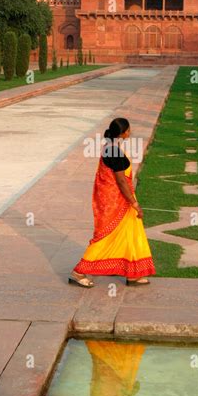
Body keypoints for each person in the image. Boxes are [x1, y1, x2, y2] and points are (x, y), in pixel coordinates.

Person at [69, 117, 155, 287]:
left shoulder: (111, 148)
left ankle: (132, 274)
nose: (130, 133)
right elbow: (121, 181)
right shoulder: (113, 151)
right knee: (104, 237)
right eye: (129, 130)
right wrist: (134, 204)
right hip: (115, 202)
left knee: (129, 234)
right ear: (123, 133)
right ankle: (78, 272)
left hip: (120, 200)